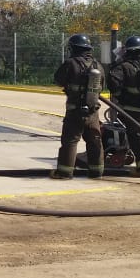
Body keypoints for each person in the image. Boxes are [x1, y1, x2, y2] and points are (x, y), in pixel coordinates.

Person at [50, 34, 105, 179]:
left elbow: (58, 80)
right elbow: (102, 86)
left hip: (75, 110)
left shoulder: (70, 63)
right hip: (93, 112)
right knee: (94, 140)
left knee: (70, 140)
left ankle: (64, 172)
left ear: (73, 48)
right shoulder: (97, 65)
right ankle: (96, 172)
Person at [107, 35, 140, 177]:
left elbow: (113, 83)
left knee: (138, 138)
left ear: (130, 51)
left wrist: (120, 95)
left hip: (134, 111)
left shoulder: (125, 67)